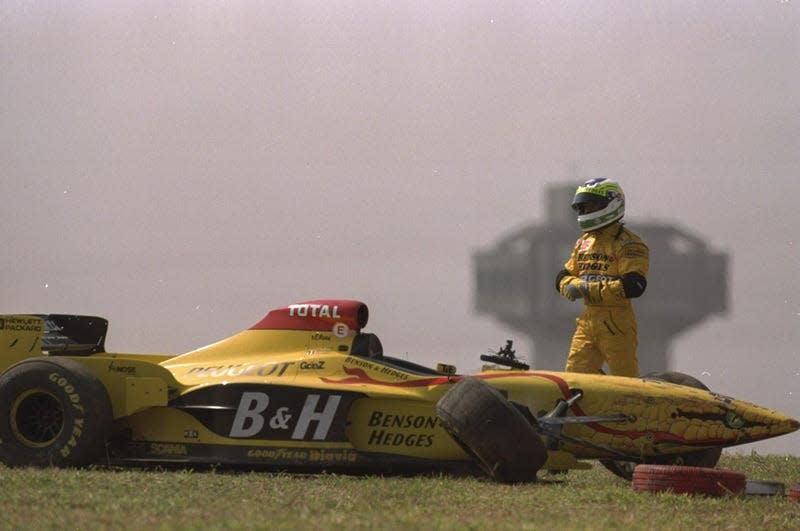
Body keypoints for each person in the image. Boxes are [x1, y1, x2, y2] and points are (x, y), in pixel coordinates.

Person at [555, 178, 649, 377]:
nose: (585, 212)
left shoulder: (629, 243)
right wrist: (571, 284)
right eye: (582, 207)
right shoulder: (584, 242)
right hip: (587, 321)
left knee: (624, 379)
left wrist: (587, 289)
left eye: (591, 206)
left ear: (611, 204)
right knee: (574, 377)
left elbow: (635, 285)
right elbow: (563, 276)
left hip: (616, 322)